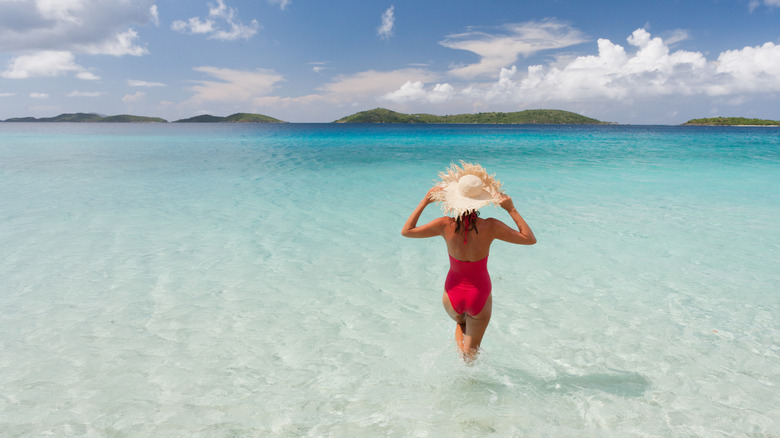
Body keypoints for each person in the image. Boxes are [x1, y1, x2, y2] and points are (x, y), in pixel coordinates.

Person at [401, 162, 536, 361]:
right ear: (481, 201)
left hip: (452, 294)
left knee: (461, 324)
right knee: (471, 355)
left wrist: (424, 202)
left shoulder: (443, 224)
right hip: (479, 294)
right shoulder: (491, 226)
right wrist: (511, 209)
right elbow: (529, 239)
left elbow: (407, 231)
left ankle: (460, 361)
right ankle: (469, 375)